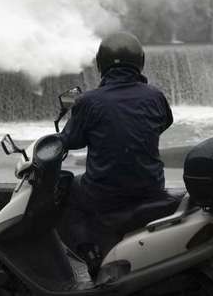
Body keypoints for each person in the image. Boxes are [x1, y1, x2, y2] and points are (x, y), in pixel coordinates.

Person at [60, 31, 175, 271]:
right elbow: (163, 123)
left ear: (101, 64)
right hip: (151, 187)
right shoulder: (156, 96)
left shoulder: (89, 102)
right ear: (139, 61)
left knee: (68, 188)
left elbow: (71, 140)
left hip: (104, 192)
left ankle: (89, 253)